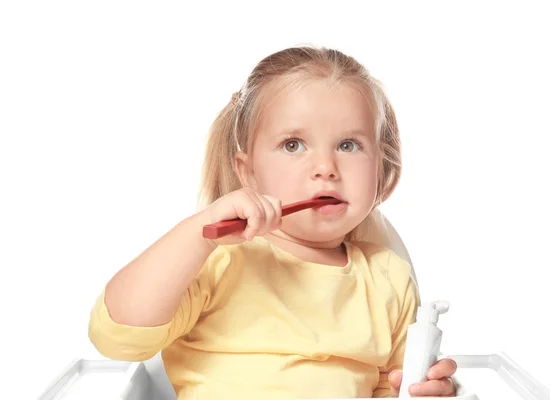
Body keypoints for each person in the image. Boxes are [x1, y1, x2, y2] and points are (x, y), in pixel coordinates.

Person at [88, 45, 458, 398]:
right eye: (293, 145)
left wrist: (423, 388)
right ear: (247, 172)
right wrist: (198, 234)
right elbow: (119, 336)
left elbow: (392, 387)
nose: (326, 169)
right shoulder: (220, 258)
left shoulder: (388, 280)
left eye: (348, 145)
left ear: (382, 165)